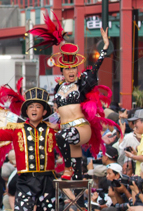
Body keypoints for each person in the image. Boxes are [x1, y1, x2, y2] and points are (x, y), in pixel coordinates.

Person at [30, 15, 112, 179]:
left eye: (74, 68)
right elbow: (57, 114)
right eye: (68, 69)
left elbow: (95, 70)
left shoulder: (82, 84)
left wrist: (105, 48)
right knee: (77, 171)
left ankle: (67, 168)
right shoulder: (59, 87)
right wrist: (43, 123)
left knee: (62, 139)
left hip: (81, 128)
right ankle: (78, 199)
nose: (71, 71)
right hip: (65, 129)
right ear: (62, 71)